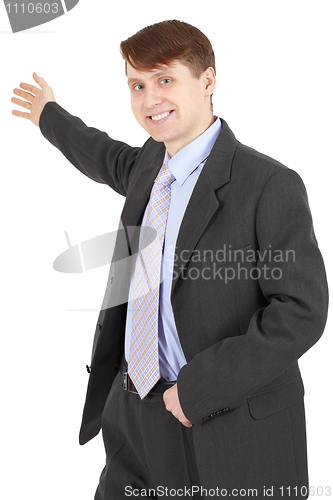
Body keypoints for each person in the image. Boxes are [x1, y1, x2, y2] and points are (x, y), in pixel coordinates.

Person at [12, 20, 328, 500]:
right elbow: (101, 153)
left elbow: (301, 312)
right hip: (132, 413)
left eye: (165, 80)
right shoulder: (147, 167)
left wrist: (196, 391)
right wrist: (47, 114)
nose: (149, 99)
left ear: (208, 81)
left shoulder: (267, 184)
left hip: (221, 419)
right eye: (137, 85)